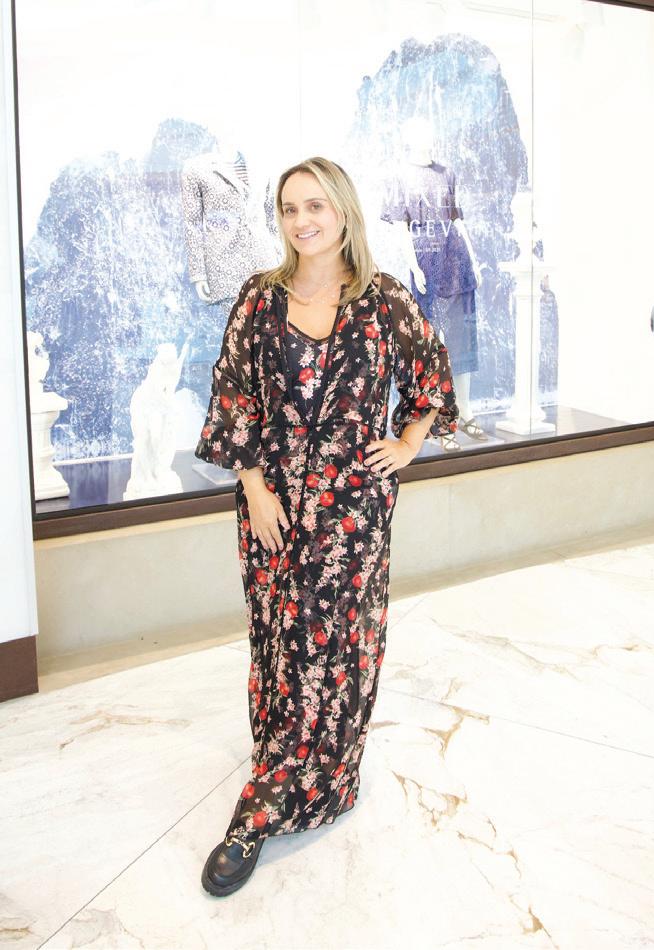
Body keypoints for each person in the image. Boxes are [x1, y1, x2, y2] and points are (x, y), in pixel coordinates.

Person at [195, 156, 459, 897]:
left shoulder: (384, 301)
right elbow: (234, 396)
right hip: (273, 508)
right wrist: (253, 487)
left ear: (342, 211)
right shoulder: (258, 298)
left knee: (337, 646)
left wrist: (406, 443)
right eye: (288, 209)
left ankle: (271, 807)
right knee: (281, 639)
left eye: (314, 205)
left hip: (353, 512)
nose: (301, 220)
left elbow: (433, 376)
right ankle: (281, 763)